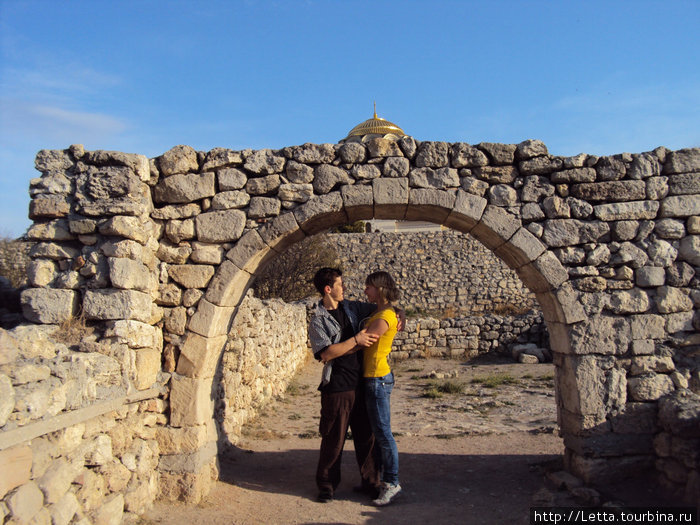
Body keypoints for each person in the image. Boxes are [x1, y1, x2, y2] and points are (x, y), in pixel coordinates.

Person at [308, 268, 381, 503]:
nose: (344, 288)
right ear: (328, 289)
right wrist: (356, 340)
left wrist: (397, 313)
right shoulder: (318, 319)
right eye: (340, 284)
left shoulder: (351, 307)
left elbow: (381, 309)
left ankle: (371, 483)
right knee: (333, 438)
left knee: (366, 437)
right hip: (337, 387)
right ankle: (327, 486)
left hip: (362, 383)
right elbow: (326, 353)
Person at [361, 271, 402, 506]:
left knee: (384, 435)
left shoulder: (385, 315)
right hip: (374, 377)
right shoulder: (381, 311)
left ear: (380, 288)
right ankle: (379, 481)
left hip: (377, 377)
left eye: (369, 286)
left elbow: (364, 340)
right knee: (379, 434)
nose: (365, 290)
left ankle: (392, 483)